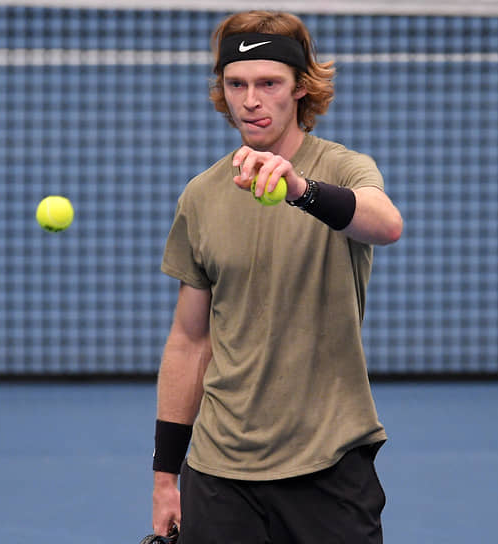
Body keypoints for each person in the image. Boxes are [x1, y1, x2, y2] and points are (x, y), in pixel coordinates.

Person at [150, 10, 403, 544]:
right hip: (219, 471)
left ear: (301, 88)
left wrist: (300, 190)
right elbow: (189, 341)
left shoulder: (344, 169)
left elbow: (386, 224)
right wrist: (165, 476)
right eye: (236, 84)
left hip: (328, 462)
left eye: (269, 83)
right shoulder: (201, 195)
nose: (250, 100)